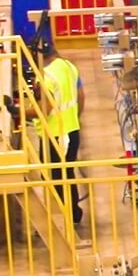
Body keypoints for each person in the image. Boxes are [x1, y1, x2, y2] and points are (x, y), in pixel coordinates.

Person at [40, 45, 84, 224]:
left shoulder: (46, 75)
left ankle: (64, 214)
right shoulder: (70, 67)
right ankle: (74, 212)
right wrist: (74, 119)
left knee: (54, 175)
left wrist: (19, 112)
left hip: (56, 135)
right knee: (68, 173)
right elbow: (81, 97)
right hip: (72, 130)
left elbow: (46, 108)